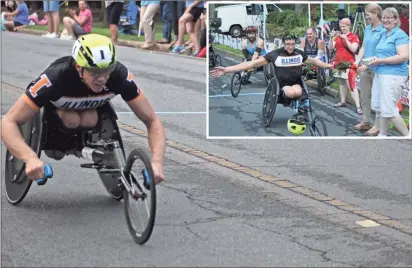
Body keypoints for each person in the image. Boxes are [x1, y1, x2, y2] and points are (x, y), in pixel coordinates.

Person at [1, 34, 166, 184]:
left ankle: (83, 145)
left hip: (91, 114)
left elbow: (151, 120)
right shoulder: (55, 78)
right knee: (71, 120)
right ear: (79, 67)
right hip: (56, 118)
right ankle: (57, 143)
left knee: (90, 119)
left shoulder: (119, 76)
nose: (102, 79)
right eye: (94, 72)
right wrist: (30, 158)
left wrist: (157, 163)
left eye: (106, 70)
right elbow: (8, 121)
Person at [210, 34, 333, 121]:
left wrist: (328, 65)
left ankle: (301, 111)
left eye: (292, 44)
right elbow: (250, 64)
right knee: (290, 92)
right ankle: (289, 102)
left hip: (296, 82)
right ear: (283, 44)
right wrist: (226, 70)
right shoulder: (274, 55)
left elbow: (315, 62)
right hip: (282, 84)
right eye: (288, 44)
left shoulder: (299, 53)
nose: (290, 47)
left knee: (298, 91)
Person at [367, 7, 409, 137]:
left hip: (393, 75)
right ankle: (382, 135)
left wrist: (381, 60)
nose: (385, 20)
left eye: (389, 17)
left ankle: (407, 135)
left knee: (389, 109)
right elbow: (381, 53)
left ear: (396, 20)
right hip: (381, 73)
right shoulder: (384, 34)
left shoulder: (400, 34)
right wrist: (375, 59)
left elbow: (403, 56)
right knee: (380, 107)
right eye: (384, 17)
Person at [353, 3, 385, 136]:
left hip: (378, 68)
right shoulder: (367, 29)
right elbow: (363, 48)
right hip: (365, 66)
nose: (366, 17)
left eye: (368, 15)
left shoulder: (384, 30)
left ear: (376, 13)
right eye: (365, 15)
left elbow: (383, 51)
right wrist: (357, 60)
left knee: (377, 98)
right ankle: (366, 121)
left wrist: (367, 65)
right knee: (364, 95)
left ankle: (377, 126)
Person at [328, 18, 362, 114]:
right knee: (342, 82)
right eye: (341, 26)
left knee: (350, 84)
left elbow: (353, 49)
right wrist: (331, 38)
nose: (342, 28)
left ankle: (358, 106)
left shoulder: (353, 36)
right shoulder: (337, 37)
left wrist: (346, 39)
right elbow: (330, 49)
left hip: (349, 63)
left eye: (344, 26)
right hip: (338, 62)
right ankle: (343, 101)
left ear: (349, 26)